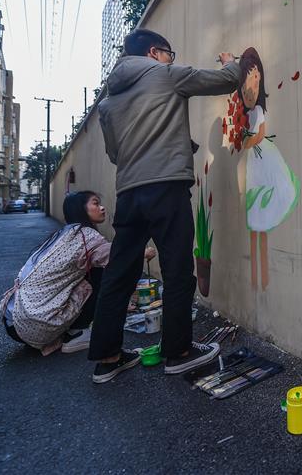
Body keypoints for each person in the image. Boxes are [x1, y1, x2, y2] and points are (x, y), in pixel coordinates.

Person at [89, 28, 239, 384]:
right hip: (167, 187)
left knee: (119, 273)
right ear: (154, 52)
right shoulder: (166, 74)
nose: (171, 59)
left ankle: (108, 358)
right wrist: (231, 63)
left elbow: (115, 154)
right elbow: (225, 80)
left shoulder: (108, 102)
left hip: (129, 193)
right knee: (176, 269)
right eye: (169, 53)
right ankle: (179, 353)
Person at [0, 191, 156, 355]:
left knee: (91, 268)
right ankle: (78, 333)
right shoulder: (86, 237)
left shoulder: (64, 233)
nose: (102, 208)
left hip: (15, 321)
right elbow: (117, 256)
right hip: (35, 324)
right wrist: (143, 252)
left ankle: (71, 329)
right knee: (100, 271)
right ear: (81, 210)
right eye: (95, 203)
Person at [238, 47, 299, 290]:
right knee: (255, 218)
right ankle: (258, 278)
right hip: (256, 163)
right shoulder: (248, 111)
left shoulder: (258, 110)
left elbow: (260, 134)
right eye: (247, 79)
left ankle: (261, 278)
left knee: (261, 218)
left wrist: (246, 142)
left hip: (263, 160)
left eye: (255, 77)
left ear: (260, 77)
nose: (251, 85)